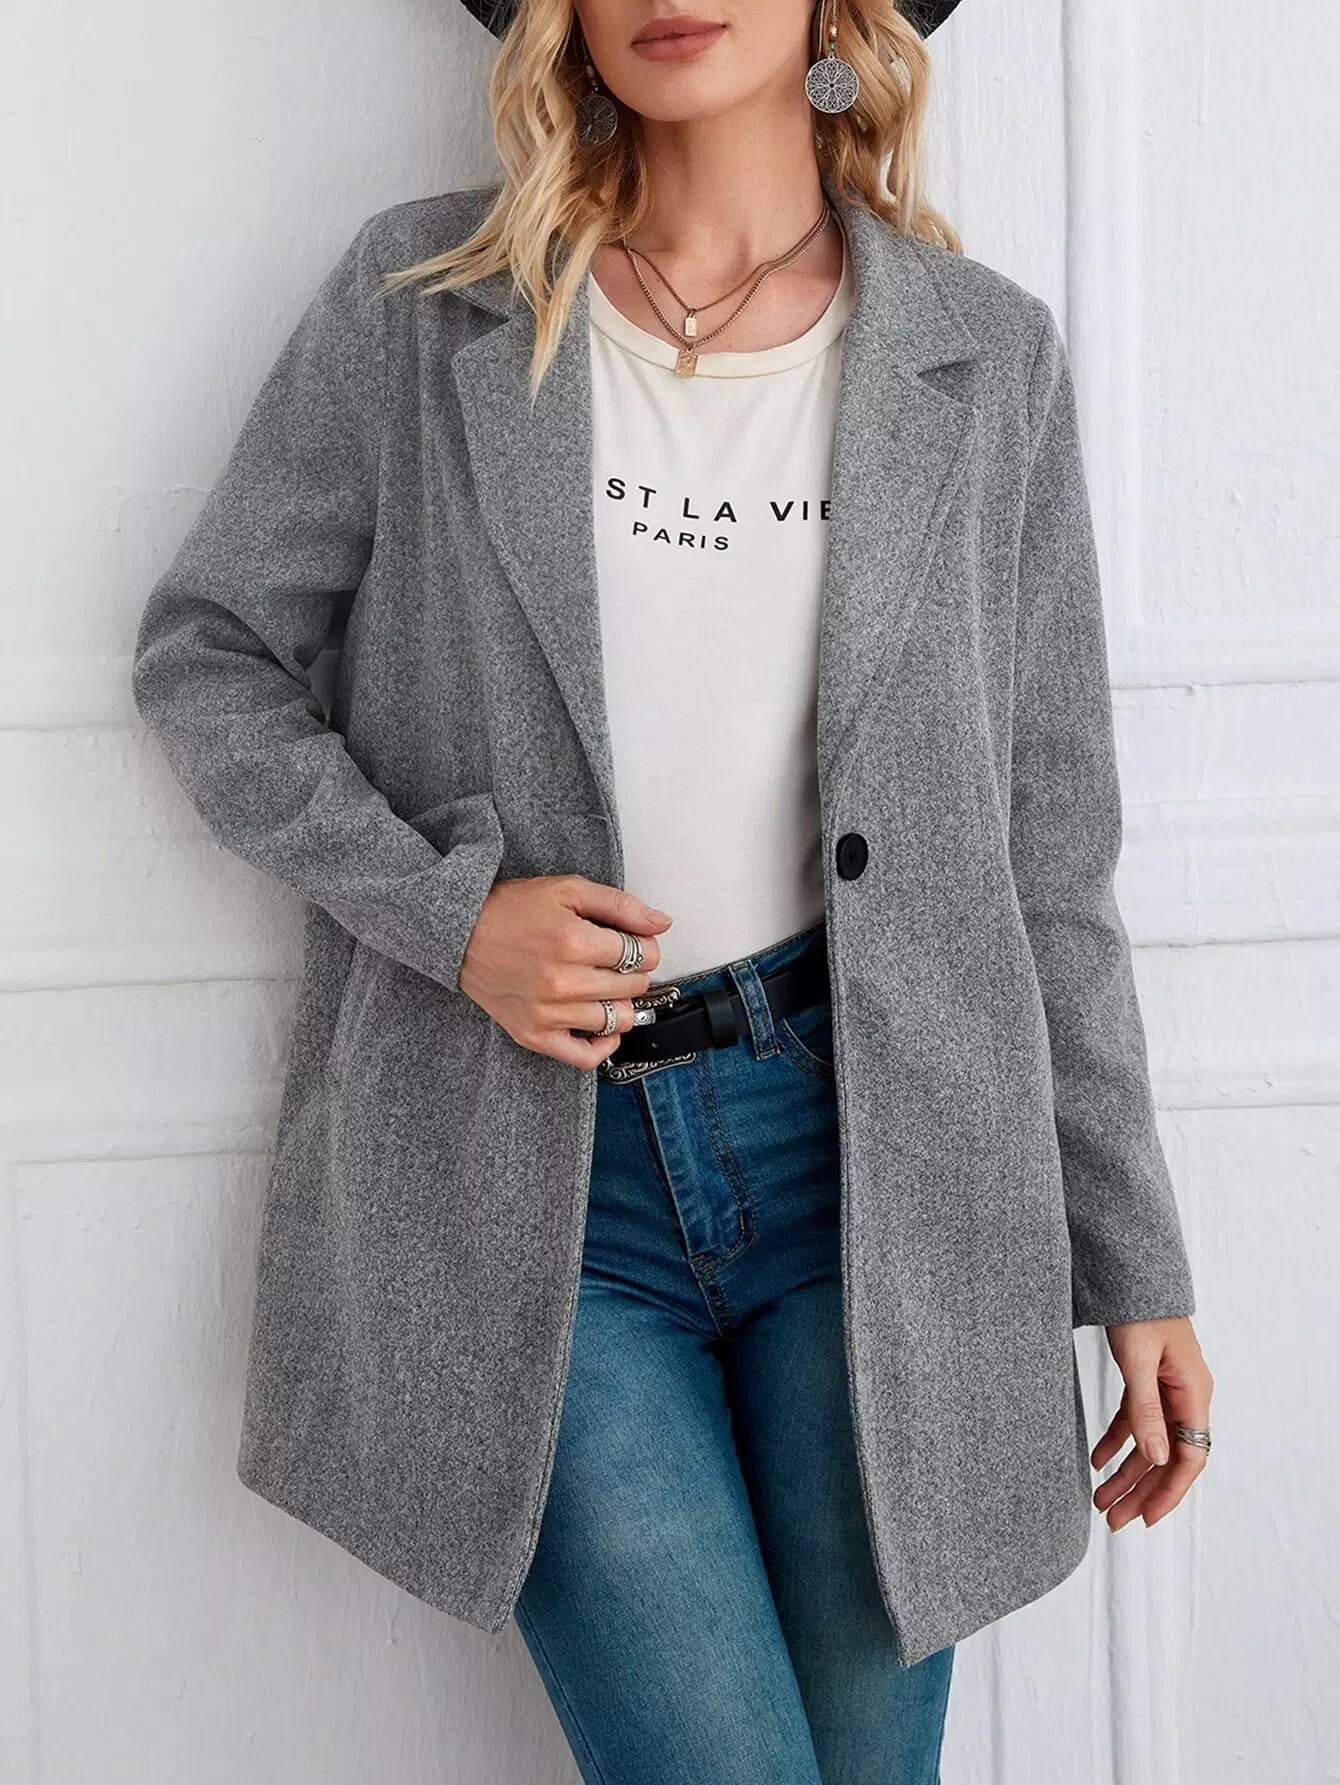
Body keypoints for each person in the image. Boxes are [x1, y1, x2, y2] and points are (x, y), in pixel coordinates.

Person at [130, 1, 1215, 1780]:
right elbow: (211, 653)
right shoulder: (428, 307)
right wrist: (453, 917)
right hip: (538, 1185)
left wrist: (1136, 1260)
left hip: (878, 1175)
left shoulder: (979, 358)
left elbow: (1049, 855)